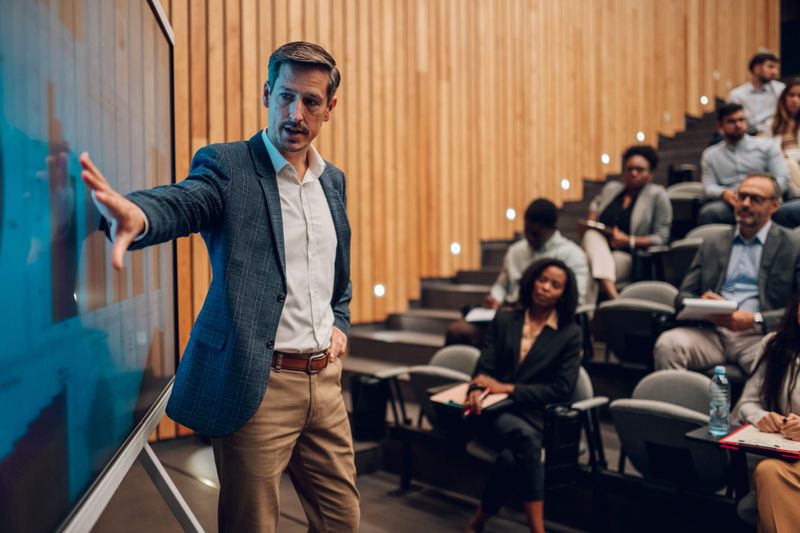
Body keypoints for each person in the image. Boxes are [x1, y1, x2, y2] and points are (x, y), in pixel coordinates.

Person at [79, 42, 359, 532]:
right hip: (260, 386)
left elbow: (337, 275)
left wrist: (339, 320)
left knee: (343, 520)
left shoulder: (331, 181)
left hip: (326, 384)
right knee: (252, 525)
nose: (296, 113)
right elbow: (188, 201)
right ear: (267, 93)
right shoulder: (229, 167)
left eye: (311, 101)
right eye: (286, 96)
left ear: (329, 108)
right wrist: (140, 214)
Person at [465, 258, 582, 533]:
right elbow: (484, 369)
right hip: (496, 413)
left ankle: (478, 522)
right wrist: (475, 390)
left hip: (537, 416)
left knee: (511, 458)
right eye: (542, 280)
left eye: (555, 285)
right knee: (525, 440)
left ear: (563, 294)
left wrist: (508, 388)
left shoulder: (570, 333)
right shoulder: (505, 319)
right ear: (532, 281)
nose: (546, 288)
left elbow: (562, 390)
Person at [654, 174, 800, 374]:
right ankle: (679, 395)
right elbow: (683, 296)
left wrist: (755, 319)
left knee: (777, 362)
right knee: (668, 344)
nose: (745, 204)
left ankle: (750, 397)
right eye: (742, 196)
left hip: (759, 336)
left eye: (755, 199)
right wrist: (703, 304)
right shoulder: (714, 242)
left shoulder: (792, 245)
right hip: (712, 333)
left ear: (774, 206)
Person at [444, 199, 589, 347]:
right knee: (457, 330)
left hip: (542, 319)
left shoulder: (573, 255)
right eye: (527, 232)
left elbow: (576, 298)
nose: (529, 238)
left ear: (550, 228)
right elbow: (502, 285)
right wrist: (495, 298)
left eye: (534, 233)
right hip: (508, 315)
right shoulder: (516, 251)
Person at [733, 291, 800, 532]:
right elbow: (747, 402)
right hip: (789, 457)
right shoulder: (775, 344)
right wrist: (762, 417)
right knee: (767, 471)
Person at [581, 145, 672, 299]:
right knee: (590, 235)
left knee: (586, 269)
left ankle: (593, 308)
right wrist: (592, 220)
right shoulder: (611, 189)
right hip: (599, 247)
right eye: (629, 169)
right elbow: (596, 204)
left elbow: (661, 237)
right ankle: (613, 296)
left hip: (628, 255)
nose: (633, 173)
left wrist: (629, 240)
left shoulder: (657, 195)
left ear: (650, 174)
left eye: (639, 170)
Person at [698, 103, 799, 227]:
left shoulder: (767, 146)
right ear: (720, 126)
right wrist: (724, 193)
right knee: (710, 212)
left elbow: (782, 178)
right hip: (733, 204)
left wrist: (763, 194)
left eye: (741, 120)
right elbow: (708, 186)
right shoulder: (710, 155)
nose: (738, 125)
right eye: (731, 121)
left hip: (766, 201)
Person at [728, 51, 786, 135]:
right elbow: (731, 121)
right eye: (770, 67)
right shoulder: (736, 95)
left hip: (774, 135)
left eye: (776, 68)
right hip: (746, 137)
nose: (775, 72)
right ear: (756, 68)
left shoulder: (781, 90)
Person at [766, 79, 800, 196]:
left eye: (799, 96)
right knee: (787, 164)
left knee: (789, 162)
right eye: (791, 95)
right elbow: (766, 153)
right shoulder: (770, 124)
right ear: (784, 98)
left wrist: (789, 155)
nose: (795, 100)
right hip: (782, 169)